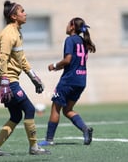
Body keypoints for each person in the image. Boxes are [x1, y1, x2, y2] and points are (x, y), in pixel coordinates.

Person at [0, 0, 50, 156]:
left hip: (9, 80)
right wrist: (5, 82)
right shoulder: (8, 34)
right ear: (14, 16)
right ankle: (34, 147)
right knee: (29, 109)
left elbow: (21, 59)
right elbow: (2, 59)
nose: (25, 13)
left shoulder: (17, 32)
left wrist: (33, 77)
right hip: (7, 80)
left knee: (16, 115)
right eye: (22, 11)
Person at [38, 17, 96, 146]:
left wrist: (54, 65)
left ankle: (49, 140)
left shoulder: (70, 40)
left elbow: (68, 59)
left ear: (72, 26)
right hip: (81, 80)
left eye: (67, 24)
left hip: (68, 81)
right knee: (68, 110)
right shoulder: (83, 41)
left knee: (55, 109)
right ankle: (85, 129)